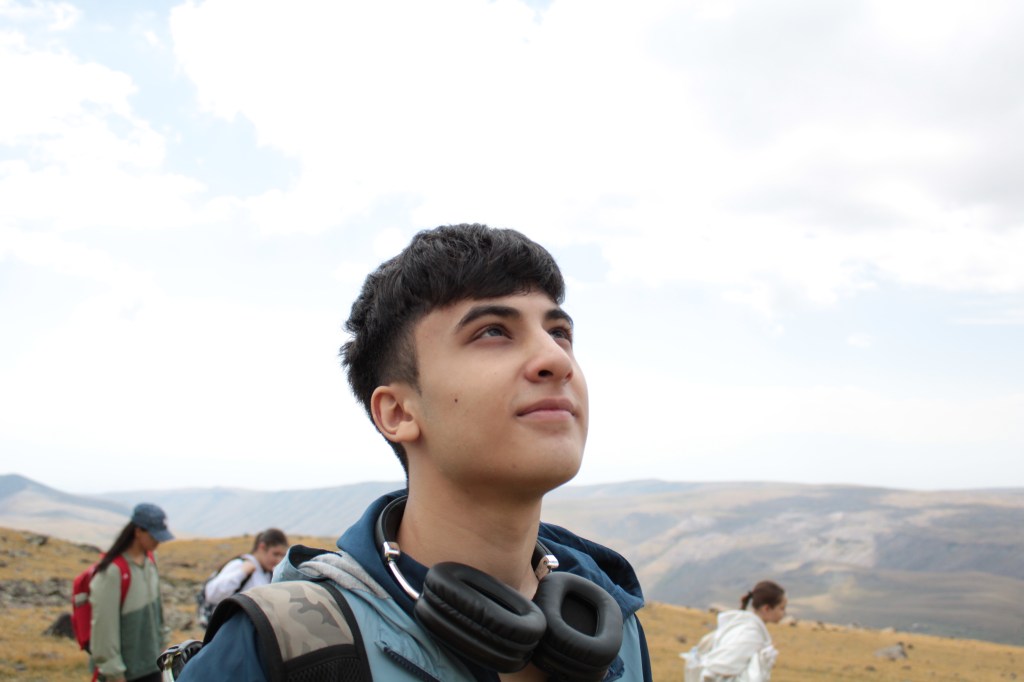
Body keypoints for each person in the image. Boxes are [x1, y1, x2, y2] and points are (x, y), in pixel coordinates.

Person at [178, 223, 653, 681]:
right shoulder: (279, 651)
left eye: (559, 332)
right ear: (398, 412)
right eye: (493, 331)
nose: (556, 359)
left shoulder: (612, 629)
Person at [90, 503, 174, 682]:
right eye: (154, 536)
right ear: (138, 531)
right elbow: (104, 628)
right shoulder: (112, 572)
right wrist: (115, 673)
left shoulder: (150, 561)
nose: (158, 541)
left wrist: (162, 651)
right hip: (126, 673)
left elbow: (157, 613)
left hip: (152, 665)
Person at [694, 580, 787, 682]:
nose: (784, 613)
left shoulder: (746, 628)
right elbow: (719, 669)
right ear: (767, 608)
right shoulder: (750, 634)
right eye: (782, 608)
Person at [201, 528, 289, 615]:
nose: (279, 560)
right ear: (261, 547)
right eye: (275, 554)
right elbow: (211, 594)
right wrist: (241, 573)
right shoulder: (240, 564)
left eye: (282, 556)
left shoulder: (269, 573)